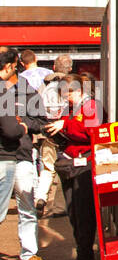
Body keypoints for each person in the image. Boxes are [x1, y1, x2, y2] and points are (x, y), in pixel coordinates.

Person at [0, 48, 50, 260]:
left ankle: (29, 254)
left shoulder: (28, 92)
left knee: (27, 206)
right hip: (2, 158)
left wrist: (24, 125)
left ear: (13, 66)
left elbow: (42, 122)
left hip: (21, 156)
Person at [45, 77, 99, 260]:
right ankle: (83, 255)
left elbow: (92, 132)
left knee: (83, 212)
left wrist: (65, 126)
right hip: (71, 162)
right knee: (74, 212)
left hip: (84, 164)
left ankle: (85, 257)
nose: (65, 99)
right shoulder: (73, 108)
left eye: (66, 94)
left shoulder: (92, 106)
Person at [35, 54, 74, 216]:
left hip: (47, 133)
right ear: (70, 69)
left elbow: (37, 111)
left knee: (47, 168)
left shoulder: (43, 87)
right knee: (66, 170)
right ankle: (59, 207)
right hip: (66, 134)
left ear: (53, 67)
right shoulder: (73, 86)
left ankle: (40, 197)